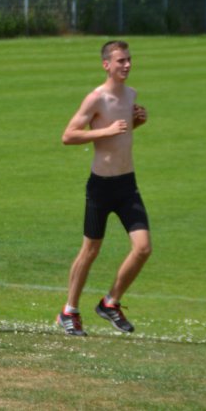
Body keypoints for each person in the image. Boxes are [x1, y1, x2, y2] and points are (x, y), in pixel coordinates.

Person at [57, 40, 151, 337]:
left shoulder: (131, 95)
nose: (127, 65)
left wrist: (136, 122)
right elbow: (68, 136)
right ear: (106, 65)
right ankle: (69, 311)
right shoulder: (96, 99)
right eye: (121, 60)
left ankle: (110, 303)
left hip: (127, 184)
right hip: (101, 186)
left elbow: (122, 134)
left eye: (129, 59)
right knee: (90, 250)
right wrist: (106, 130)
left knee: (143, 248)